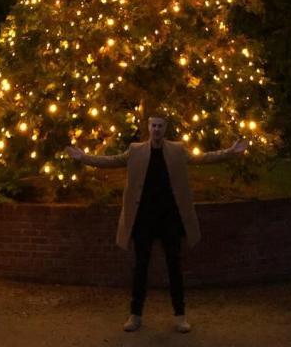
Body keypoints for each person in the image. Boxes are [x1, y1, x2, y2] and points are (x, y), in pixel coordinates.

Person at [67, 115, 247, 333]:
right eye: (153, 126)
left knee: (174, 266)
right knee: (141, 267)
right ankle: (135, 315)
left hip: (170, 217)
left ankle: (180, 315)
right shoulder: (135, 151)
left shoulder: (177, 150)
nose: (156, 130)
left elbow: (204, 158)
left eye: (160, 126)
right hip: (143, 218)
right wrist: (83, 157)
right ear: (148, 127)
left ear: (165, 128)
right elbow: (110, 161)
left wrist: (231, 152)